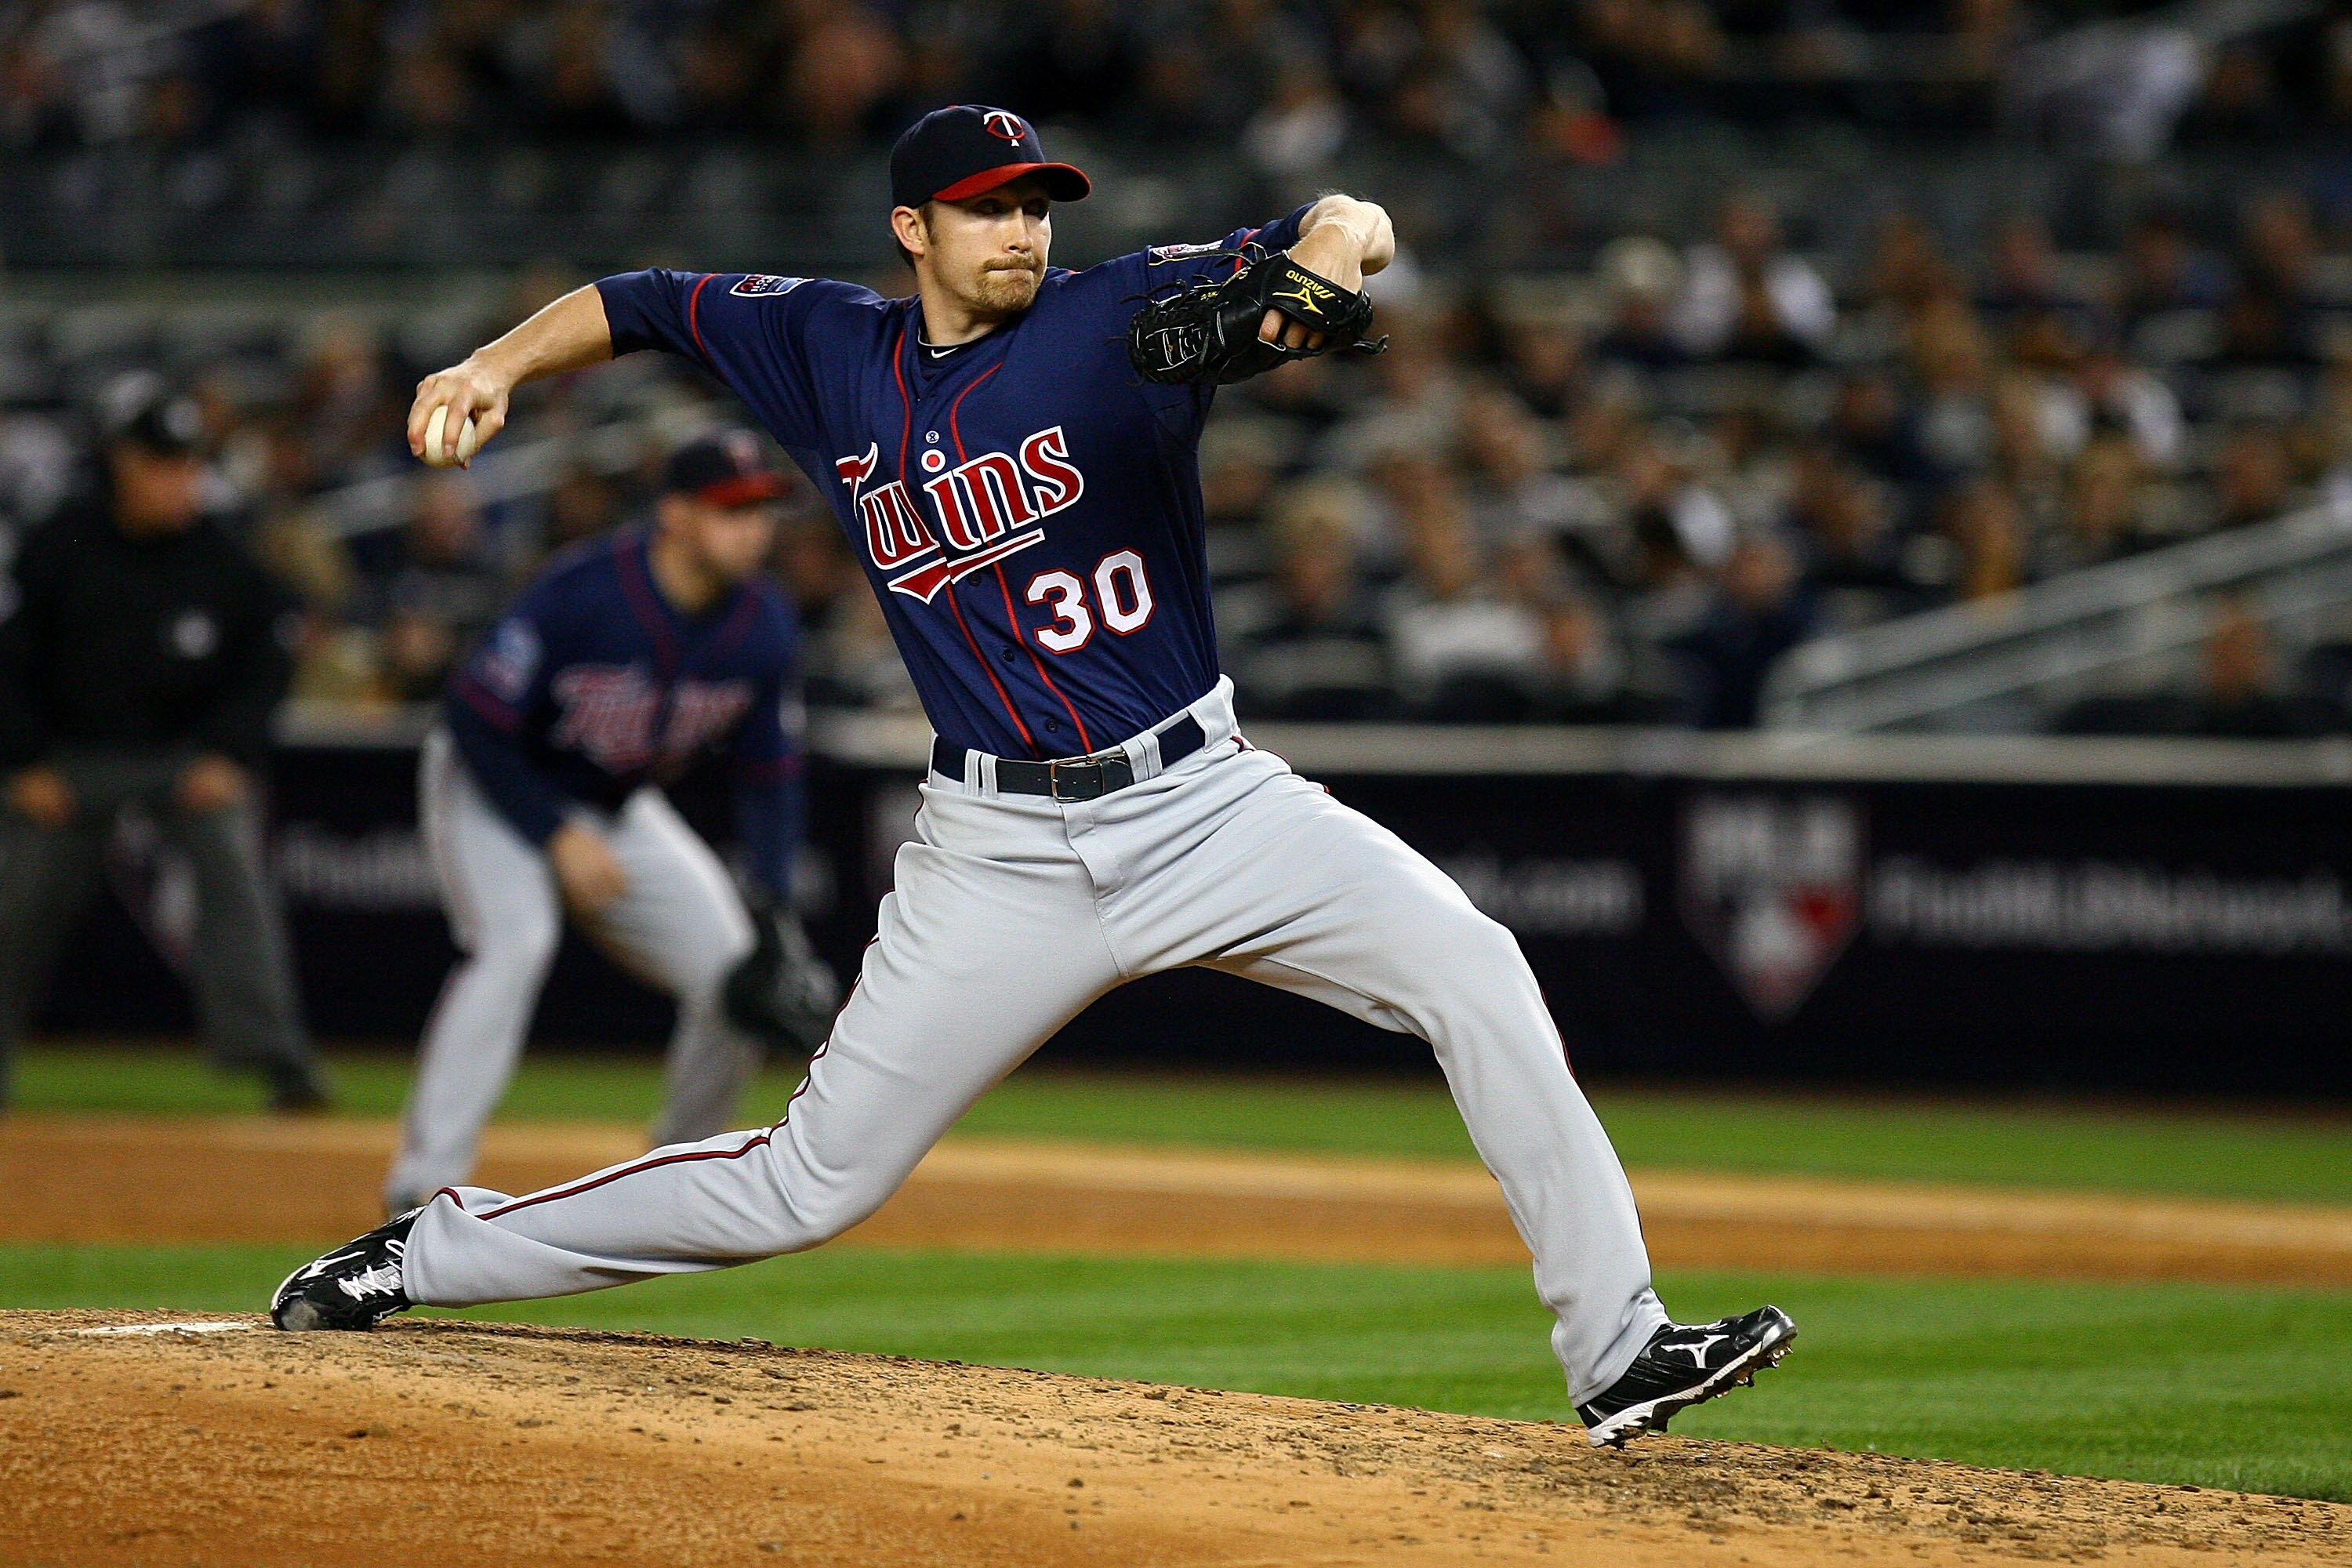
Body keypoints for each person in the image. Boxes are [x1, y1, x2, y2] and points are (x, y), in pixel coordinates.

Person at [275, 104, 1794, 1447]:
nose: (1021, 226)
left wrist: (1328, 251)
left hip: (1209, 803)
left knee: (1474, 963)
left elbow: (1345, 228)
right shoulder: (825, 349)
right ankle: (424, 1252)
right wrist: (492, 362)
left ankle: (1616, 1348)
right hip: (993, 847)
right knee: (812, 1183)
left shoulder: (1117, 311)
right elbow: (639, 300)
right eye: (990, 204)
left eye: (1036, 201)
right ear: (912, 230)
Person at [379, 432, 826, 1214]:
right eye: (732, 509)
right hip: (498, 782)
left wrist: (776, 902)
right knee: (515, 943)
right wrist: (553, 833)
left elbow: (770, 774)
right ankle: (421, 1182)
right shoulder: (584, 590)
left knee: (734, 976)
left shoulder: (764, 622)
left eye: (762, 509)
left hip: (615, 803)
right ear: (676, 514)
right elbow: (475, 716)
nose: (753, 527)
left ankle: (675, 1183)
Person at [0, 378, 329, 1111]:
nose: (180, 481)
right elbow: (10, 657)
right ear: (124, 464)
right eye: (162, 465)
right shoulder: (64, 540)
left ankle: (281, 1065)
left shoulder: (221, 554)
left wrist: (229, 752)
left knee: (237, 878)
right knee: (15, 900)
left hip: (182, 759)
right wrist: (22, 762)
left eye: (188, 466)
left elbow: (268, 658)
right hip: (71, 760)